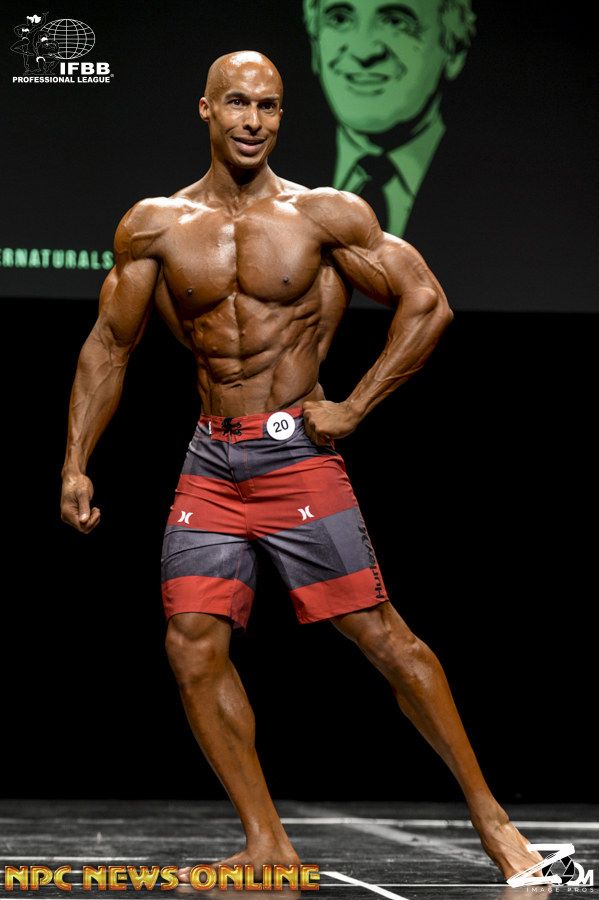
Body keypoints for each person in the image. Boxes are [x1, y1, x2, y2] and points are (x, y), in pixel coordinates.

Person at [60, 50, 542, 885]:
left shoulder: (323, 215)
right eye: (238, 103)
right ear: (206, 109)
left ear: (282, 116)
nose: (253, 121)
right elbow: (110, 344)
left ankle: (492, 820)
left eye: (269, 106)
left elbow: (426, 303)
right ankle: (267, 844)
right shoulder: (154, 225)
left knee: (382, 639)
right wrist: (76, 462)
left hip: (293, 456)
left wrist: (353, 406)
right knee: (190, 647)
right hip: (211, 460)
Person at [302, 0, 475, 235]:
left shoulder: (500, 187)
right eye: (340, 19)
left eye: (396, 22)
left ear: (454, 50)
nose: (363, 51)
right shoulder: (273, 173)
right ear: (315, 45)